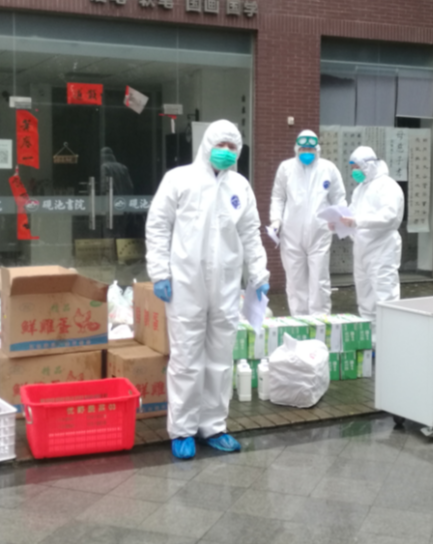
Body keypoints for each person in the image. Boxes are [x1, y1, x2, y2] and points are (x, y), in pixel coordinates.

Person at [145, 119, 269, 460]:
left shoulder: (240, 186)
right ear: (206, 145)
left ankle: (213, 426)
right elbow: (158, 225)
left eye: (233, 147)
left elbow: (250, 232)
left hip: (227, 285)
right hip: (186, 283)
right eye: (221, 145)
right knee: (186, 357)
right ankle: (182, 429)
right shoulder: (179, 179)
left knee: (220, 358)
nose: (226, 152)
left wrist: (259, 273)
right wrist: (160, 272)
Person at [269, 129, 346, 316]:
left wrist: (339, 220)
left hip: (319, 234)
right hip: (291, 235)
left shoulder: (328, 169)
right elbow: (278, 197)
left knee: (319, 281)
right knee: (295, 282)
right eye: (303, 149)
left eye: (310, 149)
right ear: (296, 148)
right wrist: (276, 219)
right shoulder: (286, 168)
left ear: (317, 149)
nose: (306, 152)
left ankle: (320, 323)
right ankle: (300, 322)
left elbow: (339, 198)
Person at [342, 146, 404, 326]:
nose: (354, 171)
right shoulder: (360, 189)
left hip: (382, 250)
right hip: (362, 250)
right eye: (352, 168)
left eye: (357, 167)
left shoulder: (387, 186)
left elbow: (389, 217)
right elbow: (351, 214)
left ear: (367, 165)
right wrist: (339, 223)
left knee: (385, 296)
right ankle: (370, 336)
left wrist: (357, 221)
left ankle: (391, 336)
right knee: (365, 297)